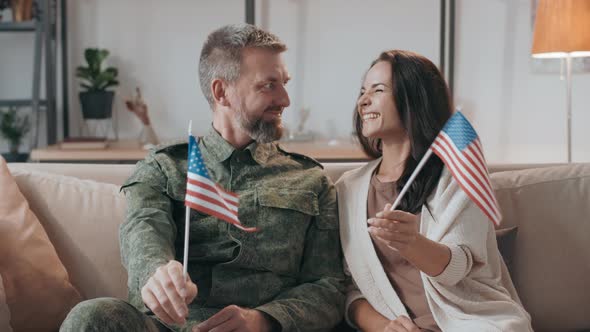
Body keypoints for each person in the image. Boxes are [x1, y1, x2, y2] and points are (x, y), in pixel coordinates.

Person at [60, 24, 345, 332]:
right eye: (268, 85)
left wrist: (263, 320)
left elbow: (328, 287)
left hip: (263, 328)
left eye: (284, 83)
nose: (285, 100)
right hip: (172, 327)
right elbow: (143, 232)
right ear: (221, 91)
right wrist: (157, 273)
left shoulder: (311, 179)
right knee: (92, 317)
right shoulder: (164, 167)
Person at [336, 50, 532, 331]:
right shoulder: (348, 189)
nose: (363, 101)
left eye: (377, 90)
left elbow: (459, 267)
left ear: (414, 99)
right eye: (362, 91)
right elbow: (349, 287)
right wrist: (383, 327)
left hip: (470, 323)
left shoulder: (458, 173)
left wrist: (410, 242)